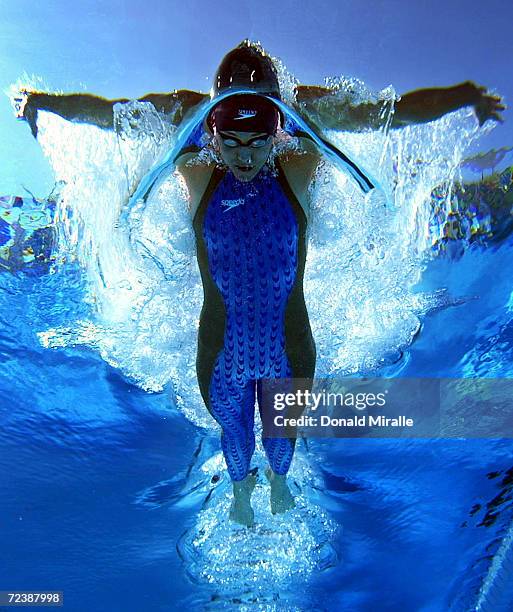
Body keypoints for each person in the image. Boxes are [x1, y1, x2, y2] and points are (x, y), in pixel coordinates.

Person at [16, 40, 505, 527]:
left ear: (277, 130)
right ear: (213, 128)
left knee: (281, 438)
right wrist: (45, 102)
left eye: (257, 141)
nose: (243, 156)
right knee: (234, 431)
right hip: (218, 351)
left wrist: (463, 96)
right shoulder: (195, 162)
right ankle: (240, 488)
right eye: (230, 141)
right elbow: (114, 116)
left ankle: (277, 481)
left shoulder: (299, 159)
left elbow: (386, 115)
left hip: (291, 344)